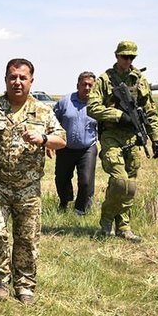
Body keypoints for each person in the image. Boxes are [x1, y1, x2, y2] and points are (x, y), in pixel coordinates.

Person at [0, 58, 65, 305]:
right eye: (13, 77)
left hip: (28, 188)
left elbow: (61, 140)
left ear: (31, 80)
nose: (17, 82)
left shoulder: (42, 111)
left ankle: (25, 285)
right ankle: (1, 280)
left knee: (27, 238)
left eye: (23, 77)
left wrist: (43, 139)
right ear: (6, 79)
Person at [86, 40, 158, 243]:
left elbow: (150, 111)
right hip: (111, 136)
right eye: (124, 57)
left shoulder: (140, 80)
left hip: (133, 137)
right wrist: (119, 115)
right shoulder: (104, 80)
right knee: (120, 182)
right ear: (117, 56)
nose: (128, 61)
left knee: (130, 186)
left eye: (131, 57)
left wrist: (155, 137)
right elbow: (92, 108)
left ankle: (124, 227)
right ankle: (106, 221)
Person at [53, 71, 98, 215]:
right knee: (61, 179)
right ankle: (64, 202)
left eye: (90, 85)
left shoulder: (98, 105)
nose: (87, 88)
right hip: (65, 147)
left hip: (87, 148)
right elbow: (53, 122)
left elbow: (104, 127)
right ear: (77, 85)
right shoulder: (65, 101)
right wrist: (50, 143)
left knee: (85, 181)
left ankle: (81, 209)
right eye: (84, 84)